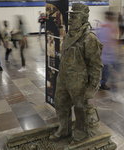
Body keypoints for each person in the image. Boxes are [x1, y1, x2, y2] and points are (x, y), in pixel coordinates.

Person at [49, 3, 103, 141]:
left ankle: (80, 134)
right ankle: (64, 129)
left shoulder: (89, 38)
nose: (71, 19)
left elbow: (95, 64)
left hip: (79, 80)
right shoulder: (68, 35)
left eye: (75, 16)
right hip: (64, 78)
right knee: (60, 103)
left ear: (84, 18)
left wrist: (93, 85)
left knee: (80, 109)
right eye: (70, 16)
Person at [97, 11, 119, 91]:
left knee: (107, 69)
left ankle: (102, 82)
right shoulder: (106, 27)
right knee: (106, 70)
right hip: (106, 53)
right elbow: (104, 41)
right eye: (112, 16)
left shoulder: (107, 25)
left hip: (107, 53)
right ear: (109, 17)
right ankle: (102, 83)